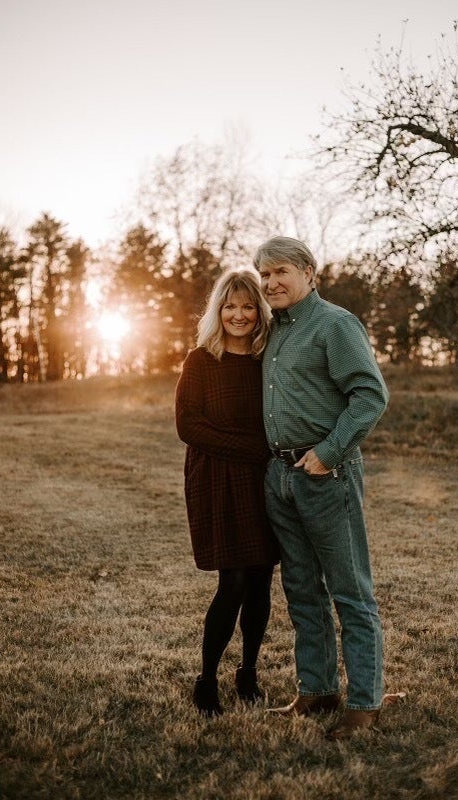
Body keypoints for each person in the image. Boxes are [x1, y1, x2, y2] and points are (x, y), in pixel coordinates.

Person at [253, 236, 389, 740]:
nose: (271, 283)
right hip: (280, 477)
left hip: (326, 474)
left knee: (350, 592)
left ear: (310, 272)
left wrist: (328, 453)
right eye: (264, 275)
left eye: (281, 272)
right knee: (302, 590)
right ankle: (316, 690)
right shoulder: (273, 331)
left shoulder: (335, 324)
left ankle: (364, 702)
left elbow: (370, 396)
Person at [175, 268, 279, 717]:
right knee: (232, 579)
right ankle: (206, 680)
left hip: (261, 483)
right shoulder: (200, 360)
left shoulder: (268, 360)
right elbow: (189, 426)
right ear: (219, 310)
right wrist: (254, 448)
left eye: (248, 306)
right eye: (231, 306)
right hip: (216, 478)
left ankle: (248, 673)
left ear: (260, 312)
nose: (239, 314)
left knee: (260, 580)